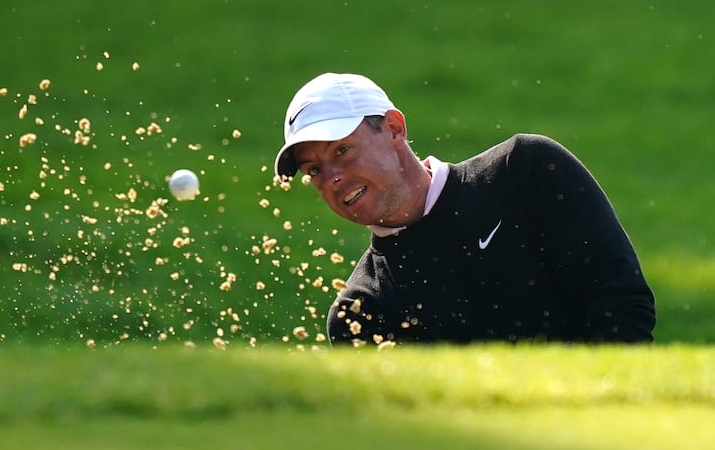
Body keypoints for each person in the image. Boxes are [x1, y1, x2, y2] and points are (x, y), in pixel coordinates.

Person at [273, 72, 656, 345]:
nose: (332, 178)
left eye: (342, 150)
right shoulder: (360, 312)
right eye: (314, 170)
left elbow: (622, 304)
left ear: (393, 129)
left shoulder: (525, 170)